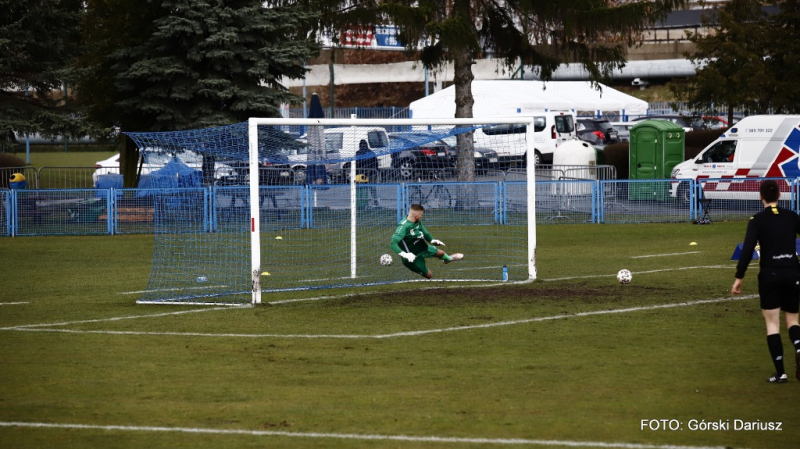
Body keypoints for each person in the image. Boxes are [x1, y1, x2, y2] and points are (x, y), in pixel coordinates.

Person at [731, 180, 800, 383]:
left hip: (770, 275)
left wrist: (739, 277)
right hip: (792, 274)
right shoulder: (792, 216)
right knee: (793, 320)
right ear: (779, 196)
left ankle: (781, 373)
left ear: (761, 197)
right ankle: (798, 346)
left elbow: (747, 250)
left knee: (772, 324)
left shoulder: (758, 220)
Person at [390, 204, 463, 279]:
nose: (422, 216)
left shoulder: (417, 222)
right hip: (411, 257)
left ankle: (448, 259)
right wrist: (405, 255)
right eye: (421, 214)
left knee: (441, 253)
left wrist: (432, 240)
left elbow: (425, 233)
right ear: (416, 216)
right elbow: (393, 243)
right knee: (429, 275)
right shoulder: (403, 227)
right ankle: (421, 269)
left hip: (422, 248)